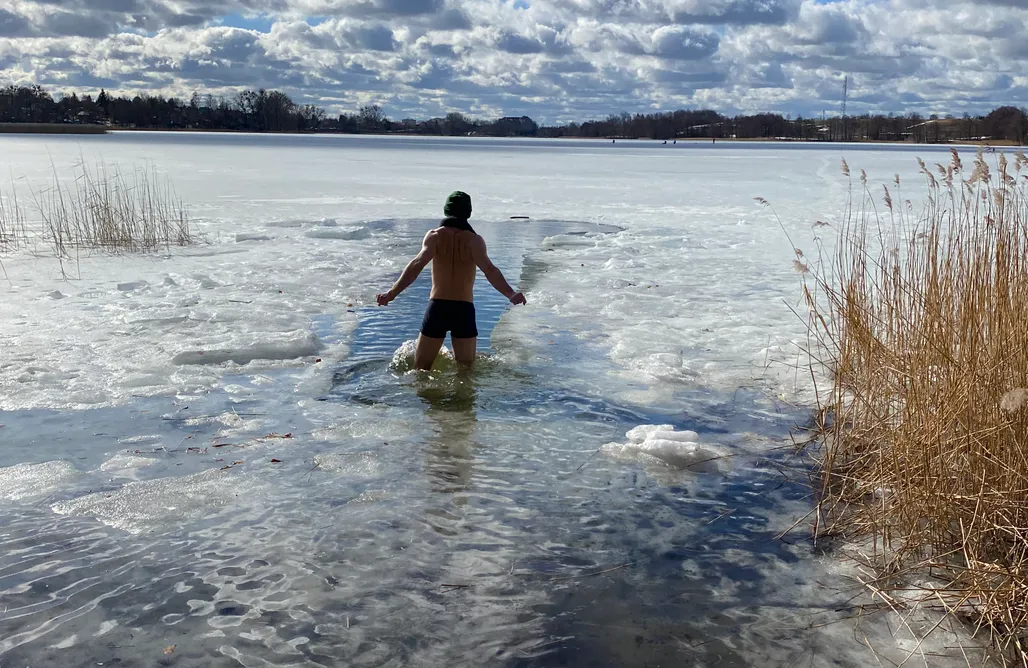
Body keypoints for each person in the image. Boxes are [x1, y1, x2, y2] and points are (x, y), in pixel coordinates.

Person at [376, 192, 527, 370]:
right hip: (463, 310)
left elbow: (416, 266)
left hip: (437, 307)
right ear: (468, 212)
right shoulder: (475, 241)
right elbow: (490, 271)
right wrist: (510, 293)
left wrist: (391, 293)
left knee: (420, 369)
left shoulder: (435, 236)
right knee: (466, 372)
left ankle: (424, 398)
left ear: (447, 210)